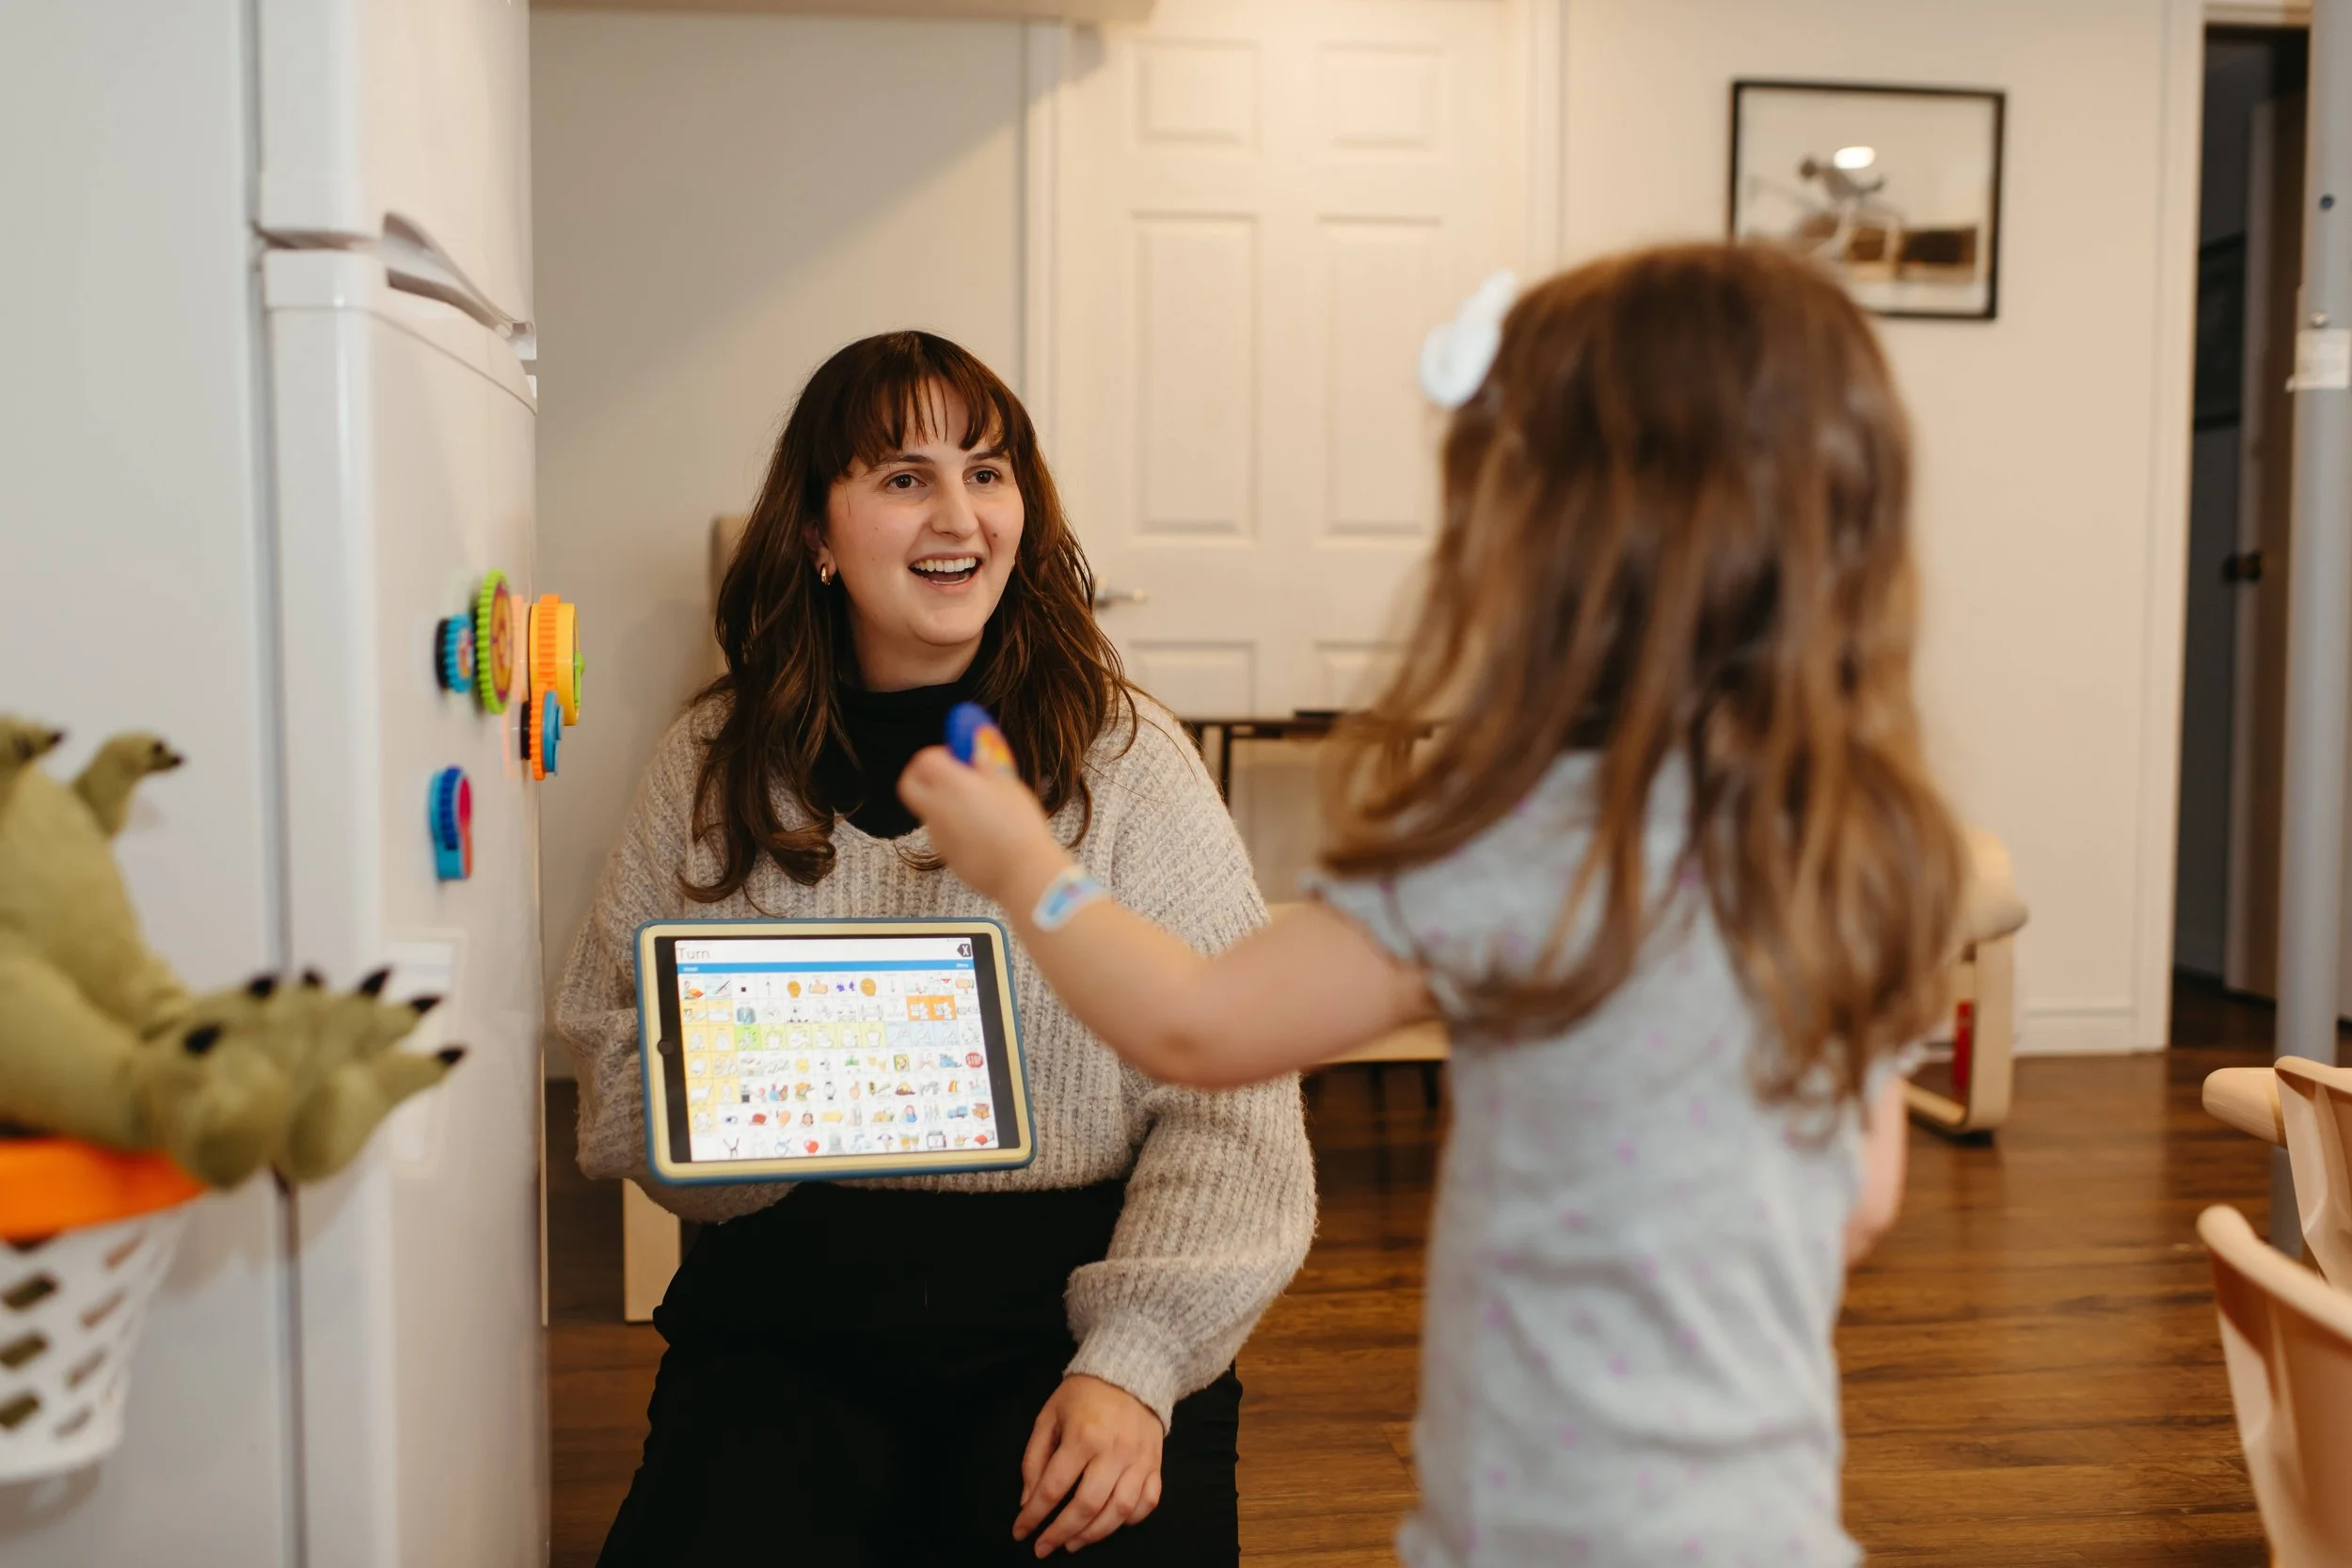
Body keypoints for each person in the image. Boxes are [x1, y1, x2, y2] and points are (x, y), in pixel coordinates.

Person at [900, 243, 1966, 1565]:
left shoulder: (1529, 842)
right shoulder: (1864, 840)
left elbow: (1194, 1025)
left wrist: (1022, 866)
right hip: (1770, 1518)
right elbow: (1862, 1198)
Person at [559, 331, 1315, 1565]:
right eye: (903, 476)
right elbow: (608, 1041)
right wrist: (746, 1128)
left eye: (989, 470)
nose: (957, 512)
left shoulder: (1130, 768)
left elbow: (1237, 1102)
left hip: (1069, 1311)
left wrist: (1134, 1364)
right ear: (815, 530)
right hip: (785, 1318)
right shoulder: (709, 767)